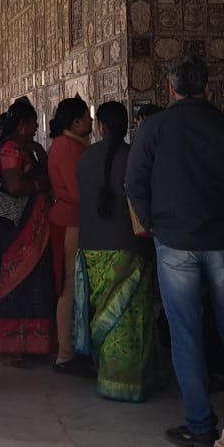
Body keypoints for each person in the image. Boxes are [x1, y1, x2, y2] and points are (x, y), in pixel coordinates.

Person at [125, 53, 224, 447]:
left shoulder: (156, 128)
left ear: (170, 88)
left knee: (186, 332)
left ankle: (200, 425)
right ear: (207, 87)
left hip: (175, 241)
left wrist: (154, 223)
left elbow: (134, 181)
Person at [74, 101, 157, 402]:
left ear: (100, 127)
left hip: (92, 247)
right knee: (130, 316)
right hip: (129, 247)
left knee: (101, 314)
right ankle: (129, 381)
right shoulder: (134, 157)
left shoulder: (85, 158)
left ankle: (105, 375)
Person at [0, 97, 55, 364]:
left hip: (30, 228)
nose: (36, 129)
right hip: (17, 228)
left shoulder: (24, 147)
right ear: (23, 124)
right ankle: (8, 345)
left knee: (32, 284)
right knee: (14, 282)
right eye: (33, 124)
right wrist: (40, 186)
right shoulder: (11, 149)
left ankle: (27, 343)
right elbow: (14, 186)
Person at [47, 96, 93, 374]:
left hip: (71, 221)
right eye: (86, 118)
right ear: (76, 122)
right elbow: (78, 193)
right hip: (70, 223)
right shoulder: (67, 148)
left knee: (73, 286)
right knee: (68, 288)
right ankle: (65, 353)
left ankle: (73, 348)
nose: (90, 121)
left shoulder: (71, 145)